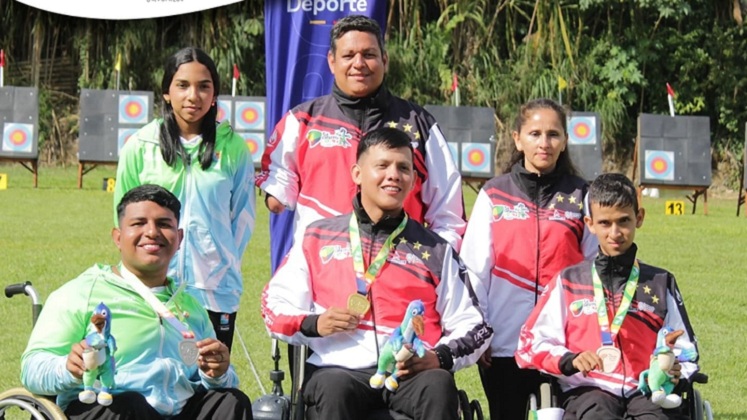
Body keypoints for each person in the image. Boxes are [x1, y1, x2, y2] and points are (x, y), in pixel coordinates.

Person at [261, 127, 493, 420]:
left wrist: (440, 357)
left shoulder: (435, 249)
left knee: (438, 383)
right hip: (339, 370)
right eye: (382, 165)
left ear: (413, 180)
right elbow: (273, 305)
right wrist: (314, 323)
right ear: (357, 174)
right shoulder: (317, 237)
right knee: (332, 388)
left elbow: (474, 325)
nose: (394, 175)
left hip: (409, 373)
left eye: (403, 168)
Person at [21, 184, 253, 419]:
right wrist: (68, 369)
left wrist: (218, 373)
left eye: (164, 224)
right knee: (130, 404)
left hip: (177, 410)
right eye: (138, 223)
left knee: (230, 401)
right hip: (108, 407)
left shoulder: (191, 307)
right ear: (118, 237)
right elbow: (32, 368)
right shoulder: (82, 293)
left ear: (179, 237)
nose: (152, 232)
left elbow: (213, 379)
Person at [256, 14, 465, 256]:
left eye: (369, 55)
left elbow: (449, 216)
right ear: (332, 62)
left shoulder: (418, 123)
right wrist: (278, 192)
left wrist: (432, 263)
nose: (359, 63)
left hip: (399, 274)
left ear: (384, 60)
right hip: (322, 270)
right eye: (348, 55)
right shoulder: (302, 121)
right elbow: (278, 181)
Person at [515, 173, 699, 419]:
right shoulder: (568, 281)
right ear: (590, 223)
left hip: (647, 389)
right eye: (604, 223)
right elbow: (529, 345)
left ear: (639, 218)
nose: (615, 232)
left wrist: (676, 369)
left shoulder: (660, 282)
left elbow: (687, 351)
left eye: (624, 221)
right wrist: (570, 359)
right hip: (588, 390)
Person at [459, 98, 598, 420]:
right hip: (504, 342)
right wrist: (480, 333)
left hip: (564, 341)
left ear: (564, 142)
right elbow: (474, 269)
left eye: (553, 134)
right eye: (535, 133)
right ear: (517, 139)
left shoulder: (582, 195)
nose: (544, 143)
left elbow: (594, 269)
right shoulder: (494, 194)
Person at [113, 47, 255, 352]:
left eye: (204, 86)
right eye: (183, 85)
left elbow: (242, 219)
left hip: (214, 289)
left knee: (208, 376)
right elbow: (123, 217)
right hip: (153, 286)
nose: (194, 96)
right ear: (166, 92)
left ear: (215, 93)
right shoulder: (140, 146)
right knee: (154, 376)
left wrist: (222, 264)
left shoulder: (234, 149)